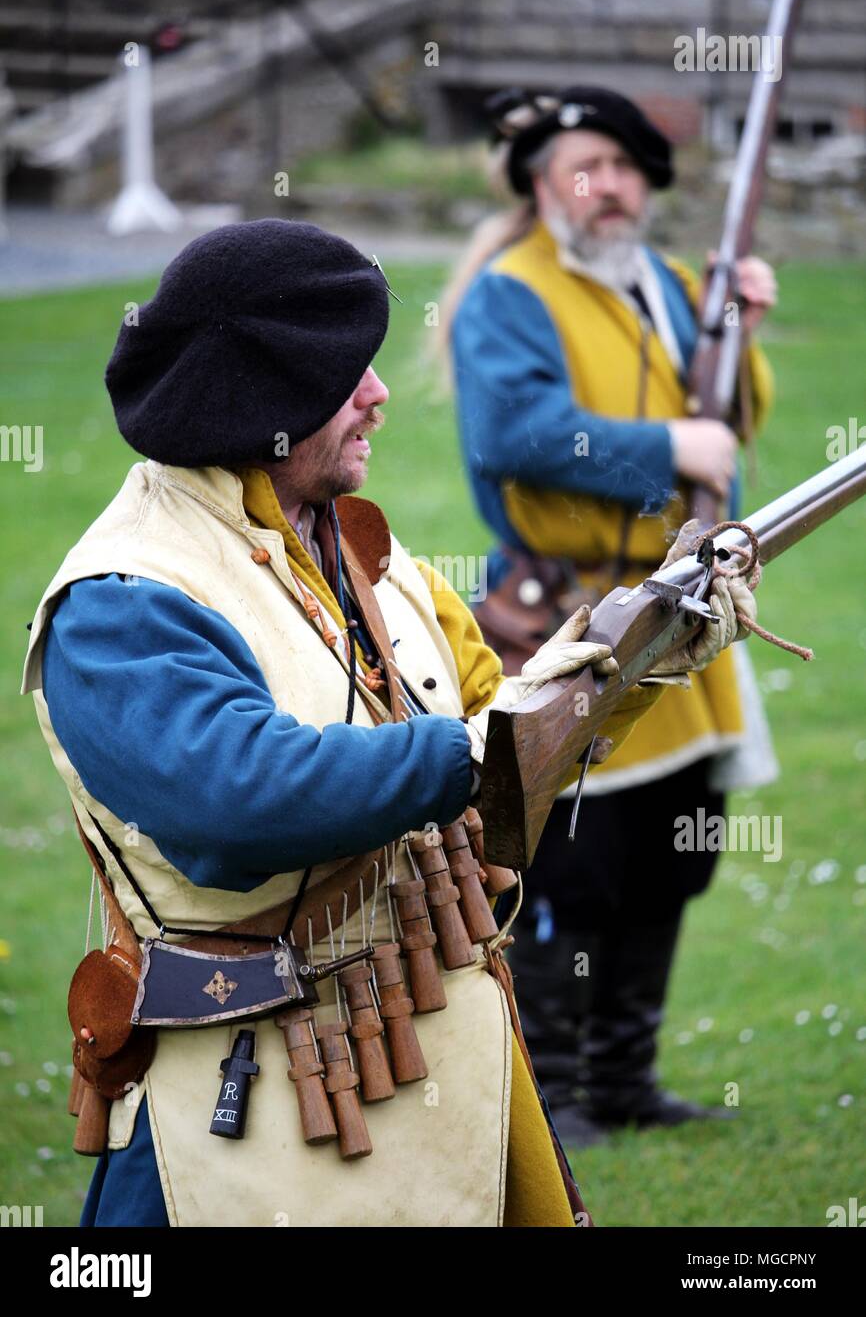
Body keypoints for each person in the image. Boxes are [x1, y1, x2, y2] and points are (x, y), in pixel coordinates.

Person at [23, 219, 756, 1226]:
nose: (375, 395)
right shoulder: (123, 601)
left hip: (431, 1047)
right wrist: (458, 751)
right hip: (249, 1104)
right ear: (261, 404)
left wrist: (634, 659)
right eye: (343, 375)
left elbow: (498, 760)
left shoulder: (353, 546)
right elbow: (243, 803)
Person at [446, 86, 779, 1144]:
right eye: (582, 166)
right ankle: (550, 1092)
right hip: (573, 608)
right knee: (571, 860)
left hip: (681, 602)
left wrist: (740, 333)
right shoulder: (510, 291)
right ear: (541, 186)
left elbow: (726, 422)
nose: (606, 185)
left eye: (624, 166)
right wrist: (663, 451)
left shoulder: (669, 283)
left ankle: (625, 1079)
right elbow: (513, 432)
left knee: (670, 854)